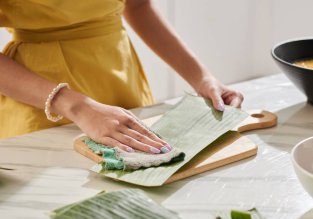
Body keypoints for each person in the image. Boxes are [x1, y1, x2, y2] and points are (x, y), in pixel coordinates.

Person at [0, 0, 243, 154]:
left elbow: (138, 5)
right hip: (43, 99)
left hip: (122, 82)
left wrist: (201, 78)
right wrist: (78, 107)